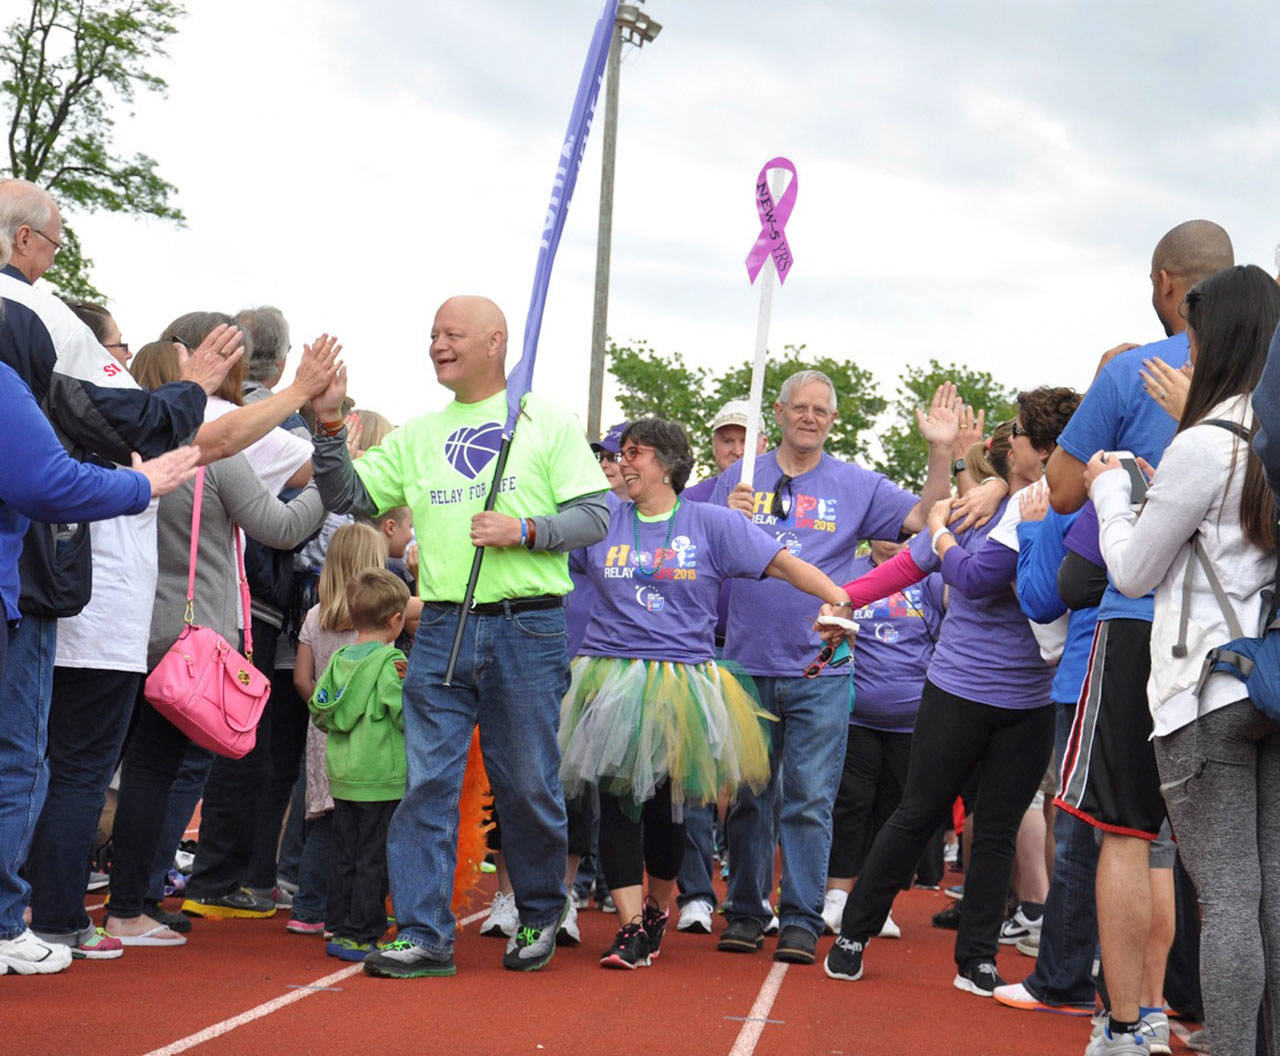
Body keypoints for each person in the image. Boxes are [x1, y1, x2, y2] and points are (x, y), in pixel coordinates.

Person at [308, 294, 609, 977]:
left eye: (453, 334)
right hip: (442, 622)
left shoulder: (546, 421)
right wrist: (328, 426)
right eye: (434, 334)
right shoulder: (417, 432)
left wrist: (526, 530)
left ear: (497, 341)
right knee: (425, 783)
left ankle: (538, 910)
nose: (438, 344)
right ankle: (423, 932)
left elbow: (595, 517)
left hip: (526, 625)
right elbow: (352, 497)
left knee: (527, 782)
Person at [0, 179, 234, 974]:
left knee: (48, 765)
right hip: (61, 605)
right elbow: (68, 465)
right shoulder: (28, 320)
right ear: (24, 243)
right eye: (55, 242)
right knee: (46, 766)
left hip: (60, 600)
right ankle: (40, 918)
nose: (56, 256)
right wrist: (154, 467)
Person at [558, 417, 852, 968]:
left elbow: (785, 565)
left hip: (680, 685)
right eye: (621, 453)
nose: (623, 462)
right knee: (618, 808)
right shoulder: (601, 520)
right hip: (608, 675)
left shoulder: (713, 524)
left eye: (635, 453)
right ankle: (628, 929)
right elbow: (546, 552)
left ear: (667, 463)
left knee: (665, 815)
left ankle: (656, 910)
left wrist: (838, 597)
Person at [711, 373, 984, 965]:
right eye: (800, 408)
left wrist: (941, 449)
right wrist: (724, 517)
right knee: (752, 797)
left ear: (833, 420)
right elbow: (696, 548)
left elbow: (920, 517)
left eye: (821, 411)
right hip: (747, 662)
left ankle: (803, 918)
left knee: (810, 798)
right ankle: (745, 911)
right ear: (779, 412)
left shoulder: (856, 484)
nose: (809, 418)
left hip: (822, 668)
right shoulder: (739, 477)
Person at [1047, 220, 1235, 1054]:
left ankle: (1127, 1024)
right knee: (1197, 850)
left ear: (1166, 282)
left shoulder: (1129, 371)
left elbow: (1057, 491)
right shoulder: (1259, 375)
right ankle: (1175, 1013)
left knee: (1123, 835)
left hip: (1137, 621)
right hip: (1230, 634)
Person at [1086, 264, 1280, 1056]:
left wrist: (1111, 496)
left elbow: (1132, 570)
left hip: (1203, 692)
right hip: (1268, 678)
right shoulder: (1269, 440)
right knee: (1269, 897)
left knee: (1229, 900)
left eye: (1193, 339)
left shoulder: (1206, 445)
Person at [822, 395, 1072, 998]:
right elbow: (905, 569)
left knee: (997, 828)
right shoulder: (972, 510)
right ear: (1011, 456)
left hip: (1030, 701)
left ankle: (978, 959)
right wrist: (842, 597)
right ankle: (855, 933)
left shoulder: (1063, 511)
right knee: (918, 813)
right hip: (957, 690)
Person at [103, 351, 327, 946]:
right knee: (161, 770)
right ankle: (131, 904)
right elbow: (279, 527)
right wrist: (329, 487)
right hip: (192, 634)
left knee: (118, 769)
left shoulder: (119, 439)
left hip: (131, 624)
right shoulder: (208, 455)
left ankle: (127, 895)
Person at [675, 398, 769, 935]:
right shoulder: (687, 500)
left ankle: (751, 896)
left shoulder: (782, 494)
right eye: (725, 439)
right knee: (692, 780)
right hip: (699, 649)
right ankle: (694, 893)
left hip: (756, 653)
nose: (735, 449)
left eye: (745, 439)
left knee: (755, 783)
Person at [821, 538, 944, 938]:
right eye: (883, 530)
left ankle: (878, 902)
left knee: (895, 813)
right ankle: (836, 896)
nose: (891, 539)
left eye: (900, 531)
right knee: (850, 804)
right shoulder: (850, 571)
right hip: (856, 714)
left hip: (914, 719)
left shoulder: (927, 577)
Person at [290, 522, 390, 935]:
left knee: (323, 816)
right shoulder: (374, 621)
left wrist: (323, 708)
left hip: (323, 729)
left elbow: (300, 676)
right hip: (366, 732)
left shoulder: (315, 616)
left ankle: (307, 905)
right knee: (358, 822)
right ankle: (340, 907)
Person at [308, 567, 411, 962]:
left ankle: (339, 922)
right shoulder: (391, 662)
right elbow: (403, 714)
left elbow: (320, 708)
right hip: (381, 775)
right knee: (373, 857)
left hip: (343, 774)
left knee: (345, 854)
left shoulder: (339, 659)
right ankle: (364, 930)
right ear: (395, 620)